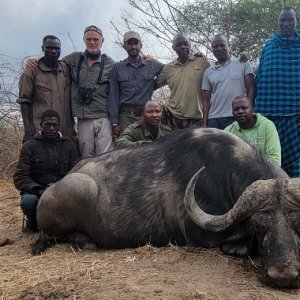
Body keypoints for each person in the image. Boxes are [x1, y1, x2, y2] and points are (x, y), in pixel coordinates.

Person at [13, 110, 80, 233]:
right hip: (37, 191)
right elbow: (20, 176)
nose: (51, 128)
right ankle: (33, 222)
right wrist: (38, 189)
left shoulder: (69, 145)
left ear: (59, 126)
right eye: (47, 125)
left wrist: (59, 187)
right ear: (41, 125)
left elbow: (77, 172)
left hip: (63, 189)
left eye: (54, 125)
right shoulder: (29, 146)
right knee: (28, 201)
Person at [255, 7, 300, 177]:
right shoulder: (269, 46)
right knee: (269, 158)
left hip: (296, 117)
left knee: (297, 160)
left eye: (290, 19)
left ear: (296, 21)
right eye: (282, 20)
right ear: (278, 22)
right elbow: (260, 76)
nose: (286, 23)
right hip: (269, 115)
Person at [62, 25, 115, 158]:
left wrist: (147, 59)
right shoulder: (73, 59)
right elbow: (53, 65)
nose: (92, 42)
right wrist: (34, 63)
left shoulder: (110, 64)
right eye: (89, 39)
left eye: (95, 39)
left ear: (102, 41)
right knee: (86, 155)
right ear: (84, 40)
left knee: (105, 156)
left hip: (104, 116)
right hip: (83, 117)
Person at [18, 35, 75, 142]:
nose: (53, 51)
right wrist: (28, 132)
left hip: (66, 133)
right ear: (43, 48)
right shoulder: (31, 72)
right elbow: (24, 101)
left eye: (57, 48)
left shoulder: (66, 69)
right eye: (49, 47)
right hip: (41, 133)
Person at [108, 31, 164, 138]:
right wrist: (114, 123)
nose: (133, 46)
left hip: (147, 117)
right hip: (125, 118)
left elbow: (170, 70)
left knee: (149, 150)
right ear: (124, 46)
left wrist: (153, 86)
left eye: (136, 43)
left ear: (140, 46)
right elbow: (113, 95)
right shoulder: (117, 67)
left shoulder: (152, 64)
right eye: (130, 43)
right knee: (126, 151)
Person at [155, 33, 210, 129]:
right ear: (173, 48)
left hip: (196, 119)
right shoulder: (168, 68)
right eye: (178, 45)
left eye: (185, 44)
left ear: (190, 44)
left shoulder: (201, 61)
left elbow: (218, 72)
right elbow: (152, 86)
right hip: (173, 118)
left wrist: (239, 61)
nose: (183, 47)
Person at [202, 34, 255, 130]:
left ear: (228, 46)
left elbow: (251, 88)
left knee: (237, 145)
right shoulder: (208, 72)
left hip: (237, 116)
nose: (219, 48)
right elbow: (206, 99)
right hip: (214, 119)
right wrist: (205, 123)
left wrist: (249, 111)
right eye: (215, 46)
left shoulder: (242, 63)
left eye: (222, 45)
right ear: (212, 49)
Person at [225, 96, 281, 166]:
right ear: (232, 113)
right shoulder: (228, 131)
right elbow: (224, 160)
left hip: (266, 174)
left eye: (244, 108)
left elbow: (275, 160)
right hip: (237, 174)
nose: (240, 111)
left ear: (252, 110)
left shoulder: (267, 126)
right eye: (236, 109)